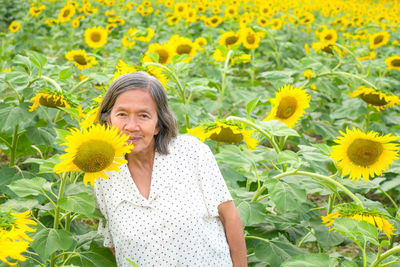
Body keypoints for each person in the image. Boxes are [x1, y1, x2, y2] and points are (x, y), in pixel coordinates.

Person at [94, 71, 247, 267]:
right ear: (109, 120)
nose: (132, 126)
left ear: (158, 124)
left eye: (144, 115)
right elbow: (114, 243)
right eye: (122, 114)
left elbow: (229, 216)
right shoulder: (103, 173)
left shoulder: (191, 152)